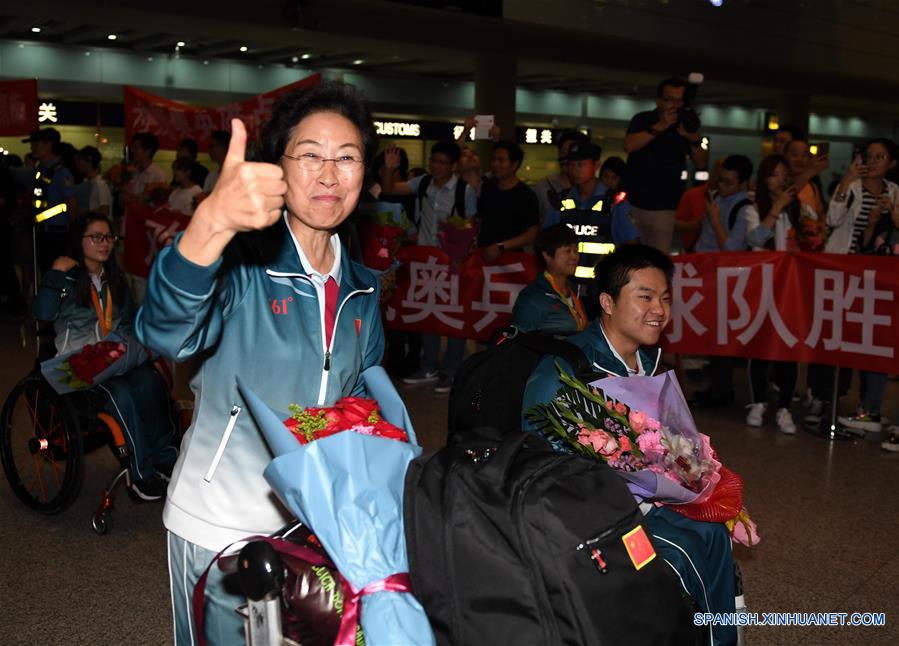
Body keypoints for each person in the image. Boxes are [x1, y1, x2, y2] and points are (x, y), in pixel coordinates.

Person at [136, 82, 386, 644]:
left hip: (311, 529)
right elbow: (163, 332)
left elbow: (362, 398)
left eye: (346, 158)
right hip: (219, 522)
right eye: (311, 156)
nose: (329, 175)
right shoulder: (241, 265)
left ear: (365, 175)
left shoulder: (362, 288)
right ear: (279, 167)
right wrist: (211, 225)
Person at [521, 244, 737, 645]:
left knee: (713, 534)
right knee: (682, 551)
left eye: (665, 298)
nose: (659, 309)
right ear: (607, 302)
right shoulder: (568, 370)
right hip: (592, 521)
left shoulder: (648, 362)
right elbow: (542, 467)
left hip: (644, 505)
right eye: (645, 297)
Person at [33, 213, 177, 500]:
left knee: (151, 381)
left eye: (109, 237)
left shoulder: (115, 279)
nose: (105, 243)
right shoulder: (68, 278)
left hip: (116, 357)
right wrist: (56, 273)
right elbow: (43, 313)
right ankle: (140, 474)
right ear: (80, 241)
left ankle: (166, 458)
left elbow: (132, 322)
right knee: (119, 392)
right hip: (78, 364)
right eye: (96, 237)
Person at [380, 141, 478, 393]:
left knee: (454, 314)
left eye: (444, 163)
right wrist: (389, 169)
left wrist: (462, 254)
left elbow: (471, 227)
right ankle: (429, 366)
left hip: (453, 261)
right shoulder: (422, 182)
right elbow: (389, 187)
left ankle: (452, 370)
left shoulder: (464, 190)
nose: (438, 167)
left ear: (453, 166)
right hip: (426, 260)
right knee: (428, 311)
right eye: (435, 161)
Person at [743, 154, 822, 434]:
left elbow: (815, 238)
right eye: (774, 174)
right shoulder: (752, 207)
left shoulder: (799, 208)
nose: (780, 179)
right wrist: (775, 208)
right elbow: (754, 239)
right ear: (764, 179)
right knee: (761, 345)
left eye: (783, 174)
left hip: (792, 287)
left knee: (789, 346)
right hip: (763, 286)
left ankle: (786, 407)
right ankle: (758, 402)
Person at [824, 138, 899, 435]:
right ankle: (829, 399)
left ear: (891, 163)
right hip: (844, 274)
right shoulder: (852, 187)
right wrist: (846, 181)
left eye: (881, 156)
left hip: (879, 281)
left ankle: (871, 407)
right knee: (838, 339)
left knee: (874, 341)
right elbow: (833, 218)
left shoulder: (894, 193)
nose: (874, 161)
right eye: (869, 155)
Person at [542, 141, 641, 318]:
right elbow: (546, 244)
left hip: (602, 295)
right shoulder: (560, 202)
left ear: (596, 165)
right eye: (571, 164)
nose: (574, 169)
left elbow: (632, 247)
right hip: (564, 293)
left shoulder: (613, 203)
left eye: (580, 164)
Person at [689, 155, 754, 409]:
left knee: (723, 335)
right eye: (720, 180)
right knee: (712, 334)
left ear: (742, 183)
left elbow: (732, 248)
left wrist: (715, 219)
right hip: (707, 275)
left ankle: (722, 390)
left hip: (729, 281)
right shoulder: (716, 199)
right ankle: (716, 387)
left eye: (729, 182)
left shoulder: (744, 208)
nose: (722, 186)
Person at [623, 77, 709, 254]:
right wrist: (660, 126)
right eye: (669, 99)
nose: (674, 105)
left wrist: (692, 137)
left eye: (679, 100)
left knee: (658, 261)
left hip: (664, 207)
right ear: (659, 101)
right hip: (633, 203)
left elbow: (701, 162)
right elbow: (629, 146)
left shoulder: (685, 124)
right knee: (628, 258)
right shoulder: (644, 119)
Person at [510, 224, 585, 335]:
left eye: (576, 250)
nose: (575, 256)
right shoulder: (534, 297)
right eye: (568, 251)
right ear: (547, 255)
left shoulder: (574, 291)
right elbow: (518, 342)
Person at [477, 141, 539, 261]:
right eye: (493, 159)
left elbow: (532, 234)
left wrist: (501, 247)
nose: (495, 164)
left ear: (514, 164)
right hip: (484, 257)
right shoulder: (487, 188)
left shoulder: (526, 195)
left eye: (501, 160)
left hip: (512, 260)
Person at [24, 128, 76, 271]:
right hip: (42, 230)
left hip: (57, 233)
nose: (32, 148)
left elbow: (71, 203)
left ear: (48, 145)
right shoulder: (41, 170)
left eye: (36, 144)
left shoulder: (61, 172)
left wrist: (73, 231)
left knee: (56, 274)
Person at [534, 130, 589, 223]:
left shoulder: (593, 187)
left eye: (571, 153)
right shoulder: (544, 186)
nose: (566, 159)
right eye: (563, 153)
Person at [74, 146, 112, 217]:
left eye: (80, 159)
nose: (78, 163)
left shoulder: (100, 184)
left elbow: (105, 210)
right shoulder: (89, 182)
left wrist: (85, 213)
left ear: (89, 162)